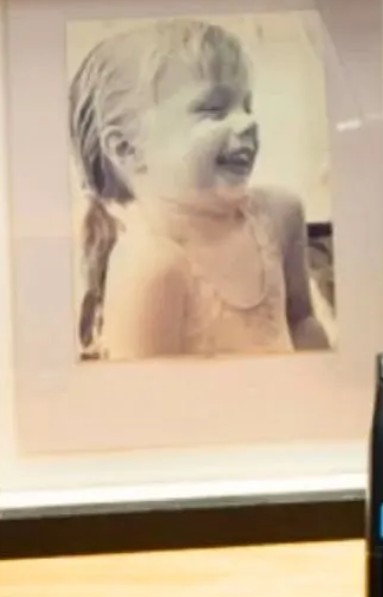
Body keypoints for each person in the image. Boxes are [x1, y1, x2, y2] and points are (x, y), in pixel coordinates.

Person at [68, 18, 331, 360]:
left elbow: (303, 324)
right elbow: (143, 394)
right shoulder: (149, 266)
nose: (248, 122)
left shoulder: (279, 215)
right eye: (213, 110)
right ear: (126, 149)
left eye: (247, 105)